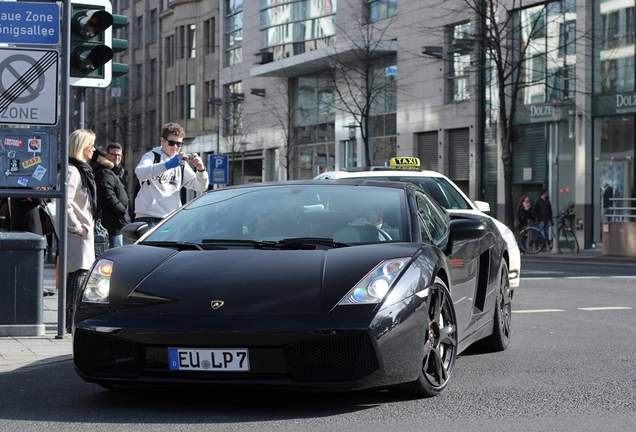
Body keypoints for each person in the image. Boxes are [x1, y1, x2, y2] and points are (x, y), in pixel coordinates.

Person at [57, 129, 99, 332]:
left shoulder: (82, 169)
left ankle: (70, 320)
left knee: (80, 274)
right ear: (81, 146)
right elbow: (63, 203)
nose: (93, 149)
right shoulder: (72, 171)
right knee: (78, 274)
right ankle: (69, 320)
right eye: (90, 144)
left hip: (82, 233)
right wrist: (76, 227)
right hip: (77, 234)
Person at [134, 122, 209, 227]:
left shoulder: (180, 163)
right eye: (171, 143)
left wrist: (201, 169)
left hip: (171, 218)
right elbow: (140, 172)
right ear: (162, 140)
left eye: (179, 144)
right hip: (148, 217)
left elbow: (200, 186)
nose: (175, 147)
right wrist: (168, 165)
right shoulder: (152, 156)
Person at [92, 143, 131, 248]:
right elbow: (107, 196)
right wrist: (122, 210)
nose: (117, 157)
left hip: (116, 223)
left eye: (119, 155)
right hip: (111, 224)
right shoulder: (105, 172)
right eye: (113, 154)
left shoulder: (113, 172)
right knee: (115, 257)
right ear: (107, 155)